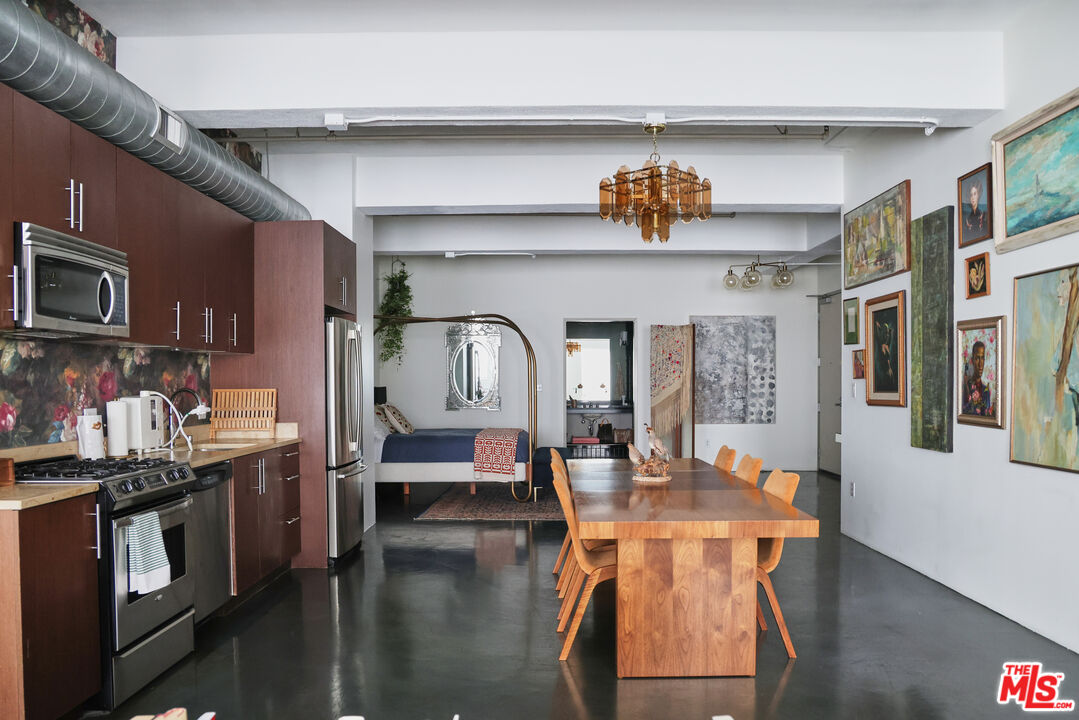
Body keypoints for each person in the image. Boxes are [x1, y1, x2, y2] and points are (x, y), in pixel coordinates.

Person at [962, 341, 993, 416]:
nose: (980, 364)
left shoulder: (986, 391)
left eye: (982, 358)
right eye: (977, 358)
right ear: (972, 360)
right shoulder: (966, 386)